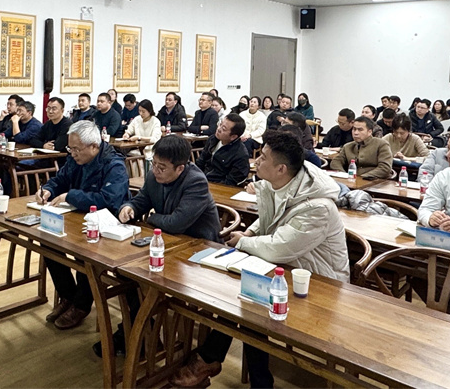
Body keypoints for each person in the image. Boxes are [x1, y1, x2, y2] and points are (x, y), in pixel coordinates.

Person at [171, 131, 349, 388]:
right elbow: (272, 219)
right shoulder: (286, 183)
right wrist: (251, 232)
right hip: (286, 270)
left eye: (263, 157)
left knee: (251, 301)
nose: (256, 161)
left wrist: (242, 242)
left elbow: (280, 247)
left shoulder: (317, 206)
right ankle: (248, 376)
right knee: (248, 298)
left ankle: (212, 360)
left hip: (319, 283)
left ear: (281, 169)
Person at [96, 135, 221, 358]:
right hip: (167, 244)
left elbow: (176, 223)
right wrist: (129, 207)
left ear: (180, 168)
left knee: (141, 279)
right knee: (127, 274)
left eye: (161, 167)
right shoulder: (154, 175)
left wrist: (152, 217)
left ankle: (140, 336)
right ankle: (143, 333)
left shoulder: (196, 182)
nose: (155, 170)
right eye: (153, 163)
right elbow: (142, 200)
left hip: (198, 251)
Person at [36, 121, 130, 330]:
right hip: (77, 218)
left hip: (106, 225)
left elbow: (108, 200)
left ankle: (81, 305)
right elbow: (60, 179)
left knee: (85, 253)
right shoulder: (75, 159)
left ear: (94, 146)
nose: (72, 153)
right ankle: (68, 296)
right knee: (48, 242)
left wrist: (70, 196)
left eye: (76, 149)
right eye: (70, 148)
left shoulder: (114, 165)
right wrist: (49, 189)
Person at [195, 113, 249, 185]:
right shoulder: (212, 139)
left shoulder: (240, 154)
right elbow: (200, 162)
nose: (219, 129)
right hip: (202, 180)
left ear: (233, 137)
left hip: (218, 186)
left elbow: (231, 182)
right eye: (220, 124)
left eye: (223, 129)